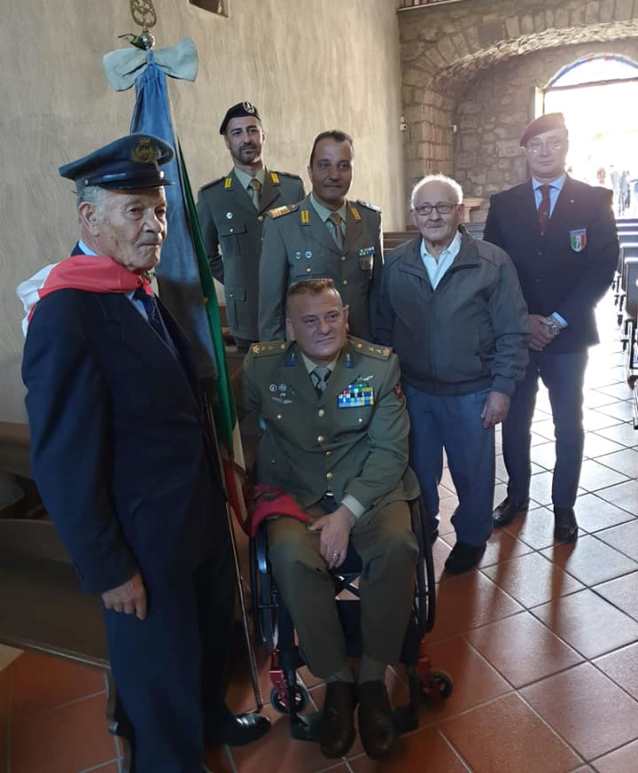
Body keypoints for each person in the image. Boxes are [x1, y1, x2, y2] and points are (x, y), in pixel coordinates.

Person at [19, 134, 269, 773]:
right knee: (159, 671)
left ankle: (211, 717)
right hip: (142, 541)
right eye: (135, 211)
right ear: (89, 217)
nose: (156, 225)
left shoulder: (133, 287)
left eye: (159, 210)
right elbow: (63, 461)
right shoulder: (69, 312)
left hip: (194, 518)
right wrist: (108, 567)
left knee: (205, 638)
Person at [243, 278, 418, 760]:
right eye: (310, 320)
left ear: (345, 316)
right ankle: (337, 681)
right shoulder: (261, 367)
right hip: (295, 495)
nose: (324, 328)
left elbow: (390, 451)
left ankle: (373, 680)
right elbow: (244, 428)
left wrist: (346, 513)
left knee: (398, 546)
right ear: (289, 327)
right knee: (290, 557)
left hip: (368, 491)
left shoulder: (378, 366)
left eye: (332, 316)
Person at [375, 175, 528, 574]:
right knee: (417, 472)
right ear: (414, 215)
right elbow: (382, 330)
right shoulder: (396, 264)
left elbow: (512, 331)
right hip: (414, 392)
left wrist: (502, 389)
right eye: (424, 209)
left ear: (460, 212)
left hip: (472, 391)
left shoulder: (492, 262)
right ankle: (423, 526)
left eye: (443, 207)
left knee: (473, 474)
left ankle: (472, 538)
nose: (433, 216)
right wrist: (388, 385)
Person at [483, 113, 618, 542]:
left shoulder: (594, 200)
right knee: (514, 422)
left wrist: (557, 320)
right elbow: (492, 269)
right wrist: (522, 320)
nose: (545, 151)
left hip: (569, 336)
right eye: (536, 144)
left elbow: (602, 267)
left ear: (566, 146)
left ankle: (564, 507)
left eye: (554, 142)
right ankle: (516, 496)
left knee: (568, 424)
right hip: (517, 336)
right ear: (525, 151)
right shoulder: (504, 204)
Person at [197, 101, 304, 351]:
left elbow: (303, 244)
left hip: (291, 311)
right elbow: (206, 255)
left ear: (263, 135)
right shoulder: (213, 196)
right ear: (227, 141)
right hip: (246, 316)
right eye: (237, 133)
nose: (246, 139)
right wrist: (238, 281)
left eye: (252, 130)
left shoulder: (292, 188)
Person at [258, 130, 382, 341]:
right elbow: (271, 310)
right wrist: (277, 357)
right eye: (324, 165)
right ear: (310, 171)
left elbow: (378, 296)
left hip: (362, 348)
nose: (334, 175)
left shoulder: (369, 219)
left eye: (343, 166)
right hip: (308, 351)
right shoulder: (282, 225)